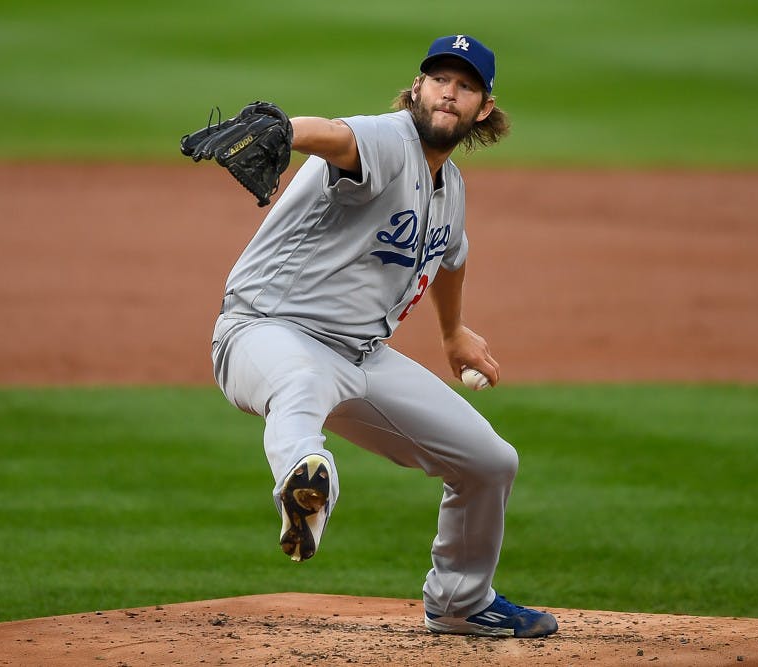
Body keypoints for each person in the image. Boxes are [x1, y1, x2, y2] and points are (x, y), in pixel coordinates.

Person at [209, 34, 558, 639]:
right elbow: (338, 137)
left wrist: (453, 334)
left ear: (484, 108)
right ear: (417, 89)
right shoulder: (389, 138)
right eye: (439, 79)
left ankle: (460, 602)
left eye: (466, 85)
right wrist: (285, 133)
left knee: (489, 463)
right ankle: (305, 483)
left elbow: (451, 258)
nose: (450, 92)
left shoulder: (449, 188)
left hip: (362, 357)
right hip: (265, 330)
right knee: (299, 383)